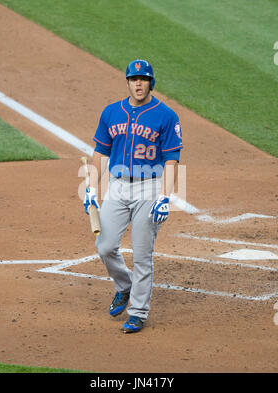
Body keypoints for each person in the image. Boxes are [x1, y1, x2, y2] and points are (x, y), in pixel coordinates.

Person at [83, 59, 183, 333]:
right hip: (117, 186)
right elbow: (101, 153)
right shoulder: (111, 112)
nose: (138, 83)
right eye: (134, 78)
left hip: (149, 188)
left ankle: (138, 312)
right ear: (127, 82)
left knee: (142, 254)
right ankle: (124, 285)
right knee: (104, 245)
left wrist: (165, 197)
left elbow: (172, 161)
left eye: (143, 78)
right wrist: (91, 187)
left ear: (151, 82)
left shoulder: (166, 116)